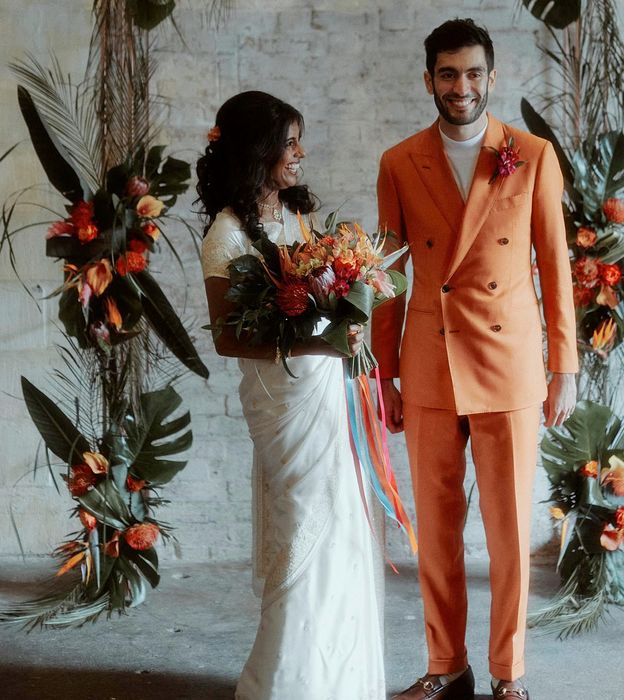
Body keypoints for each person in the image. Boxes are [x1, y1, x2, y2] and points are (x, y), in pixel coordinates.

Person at [372, 19, 578, 700]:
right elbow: (389, 276)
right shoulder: (399, 162)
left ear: (493, 77)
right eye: (447, 74)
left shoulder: (532, 154)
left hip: (511, 365)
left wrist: (564, 367)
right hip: (429, 363)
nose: (461, 87)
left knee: (509, 533)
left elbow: (555, 264)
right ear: (428, 78)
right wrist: (385, 372)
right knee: (436, 532)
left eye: (472, 74)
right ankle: (445, 666)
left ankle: (508, 675)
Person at [197, 91, 385, 700]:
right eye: (290, 141)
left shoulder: (299, 219)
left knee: (345, 523)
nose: (300, 153)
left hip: (328, 390)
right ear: (259, 150)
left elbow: (319, 300)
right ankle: (286, 681)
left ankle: (340, 676)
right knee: (303, 522)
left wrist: (343, 322)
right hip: (281, 401)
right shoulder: (225, 235)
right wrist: (309, 343)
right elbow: (227, 338)